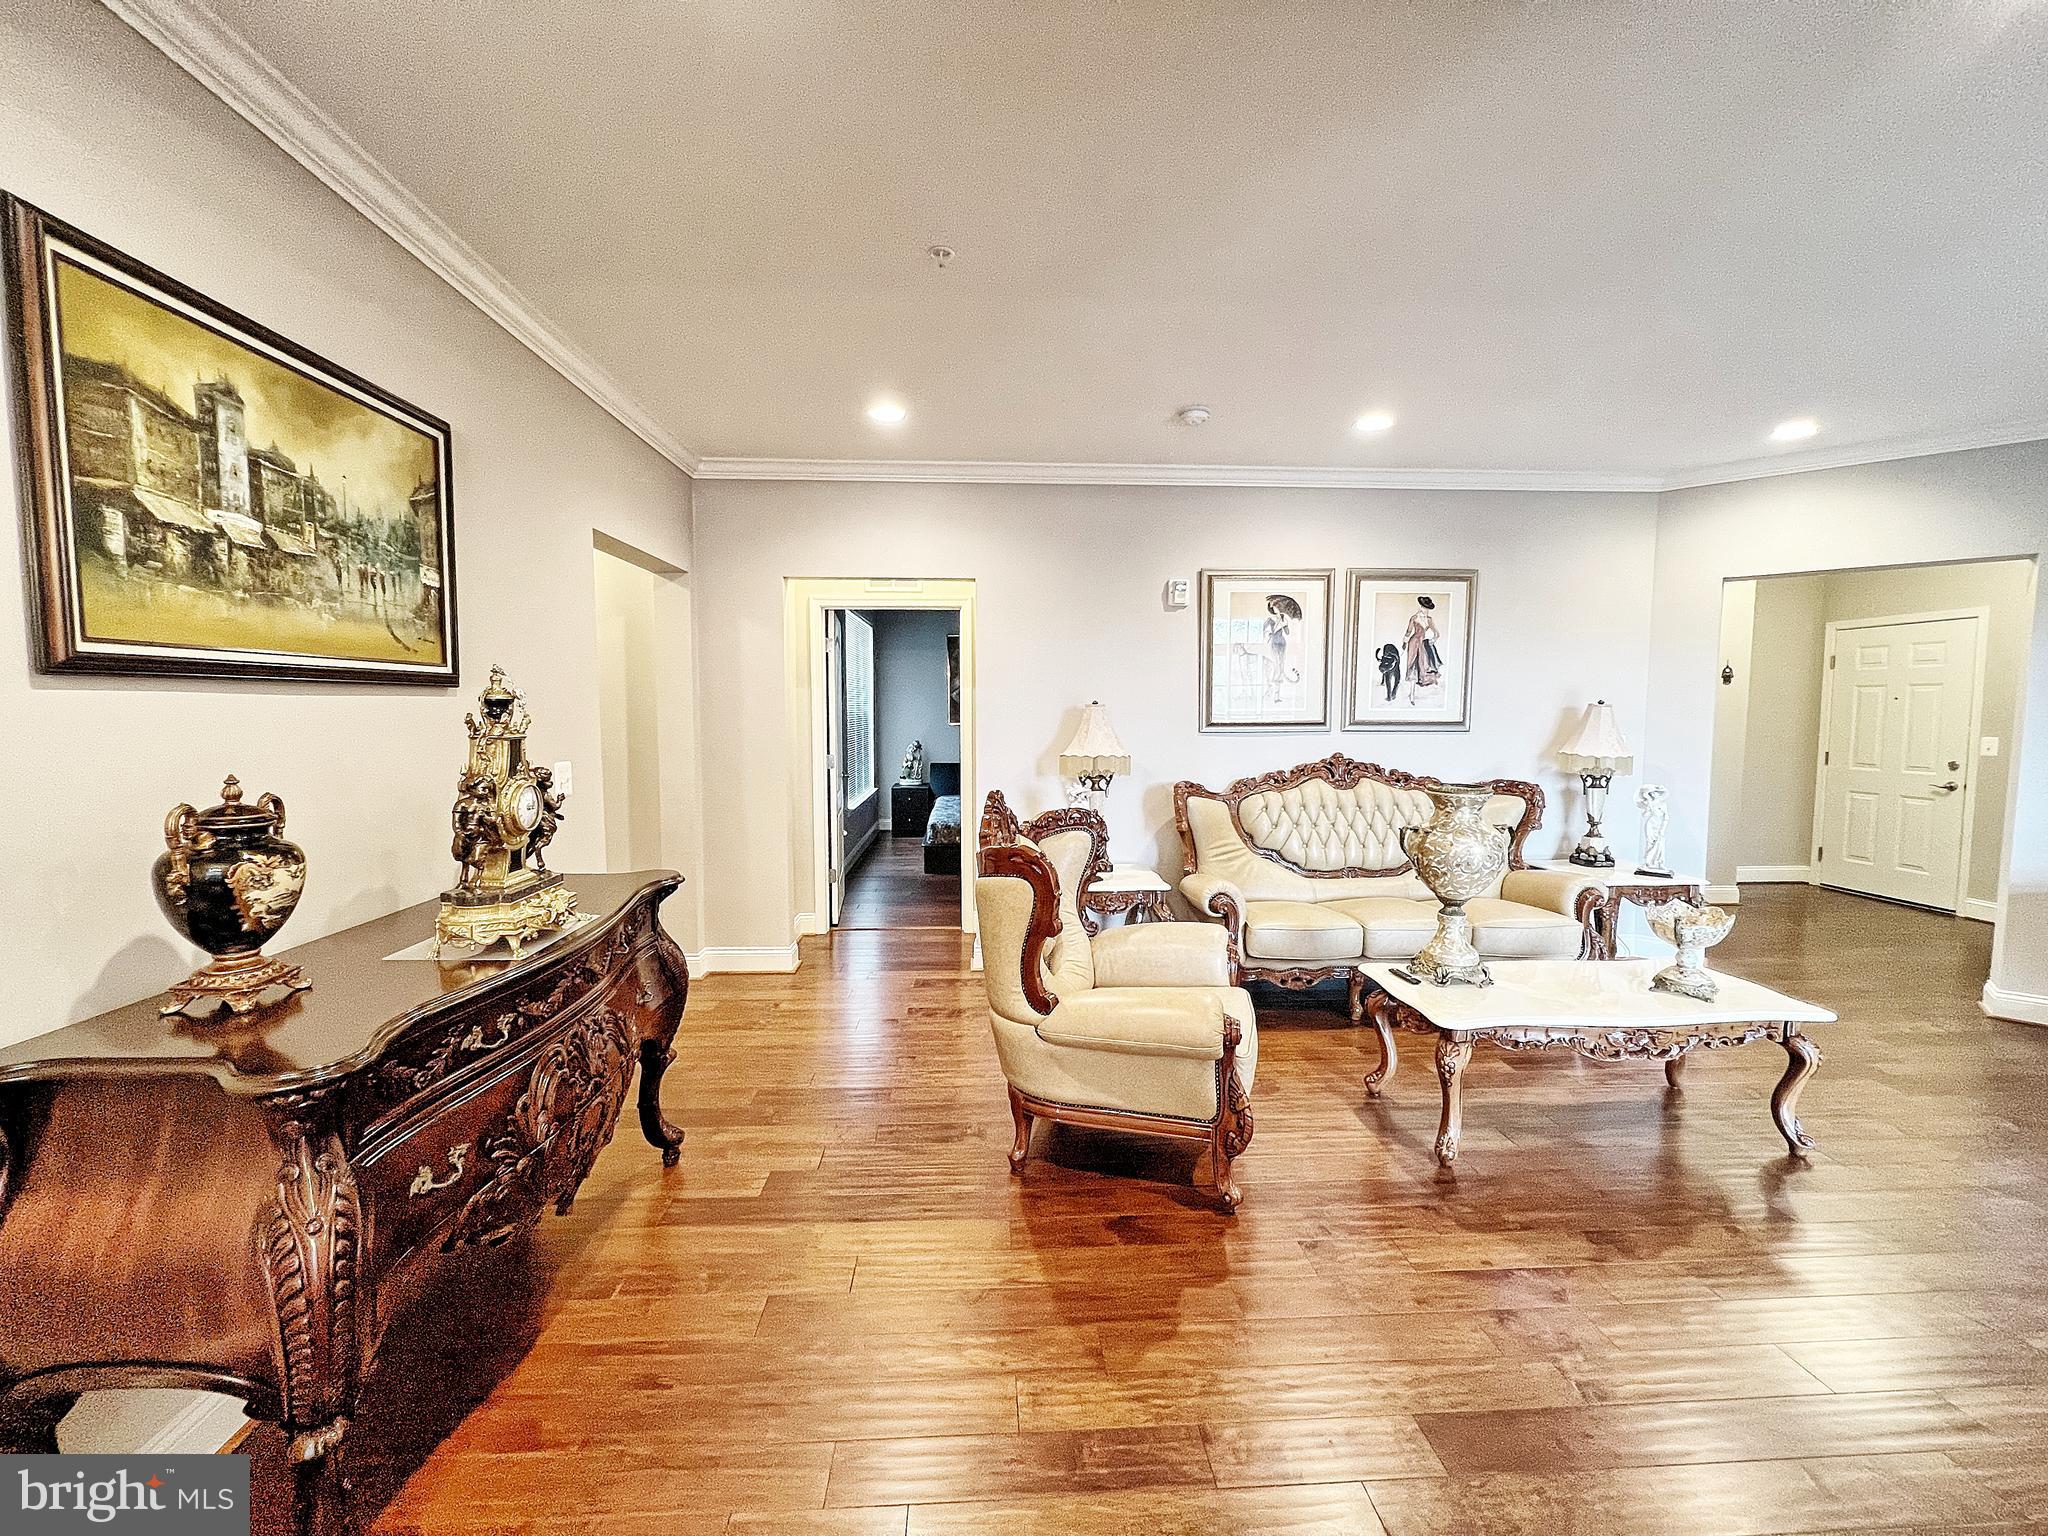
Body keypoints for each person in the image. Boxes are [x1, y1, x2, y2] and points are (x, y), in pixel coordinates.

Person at [1262, 593, 1303, 703]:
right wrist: (1272, 630)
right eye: (1273, 607)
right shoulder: (1270, 620)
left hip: (1282, 643)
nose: (1275, 608)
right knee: (1277, 666)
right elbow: (1266, 633)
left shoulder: (1283, 618)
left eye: (1276, 606)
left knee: (1281, 665)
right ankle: (1273, 693)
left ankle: (1277, 695)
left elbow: (1287, 633)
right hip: (1274, 643)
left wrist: (1285, 625)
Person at [1402, 594, 1442, 703]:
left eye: (1427, 608)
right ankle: (1412, 694)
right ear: (1421, 607)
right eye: (1424, 608)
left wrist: (1431, 642)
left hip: (1422, 644)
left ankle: (1414, 693)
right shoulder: (1414, 618)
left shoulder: (1429, 619)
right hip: (1413, 643)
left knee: (1422, 665)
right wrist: (1405, 642)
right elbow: (1408, 632)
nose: (1426, 610)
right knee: (1412, 665)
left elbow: (1437, 634)